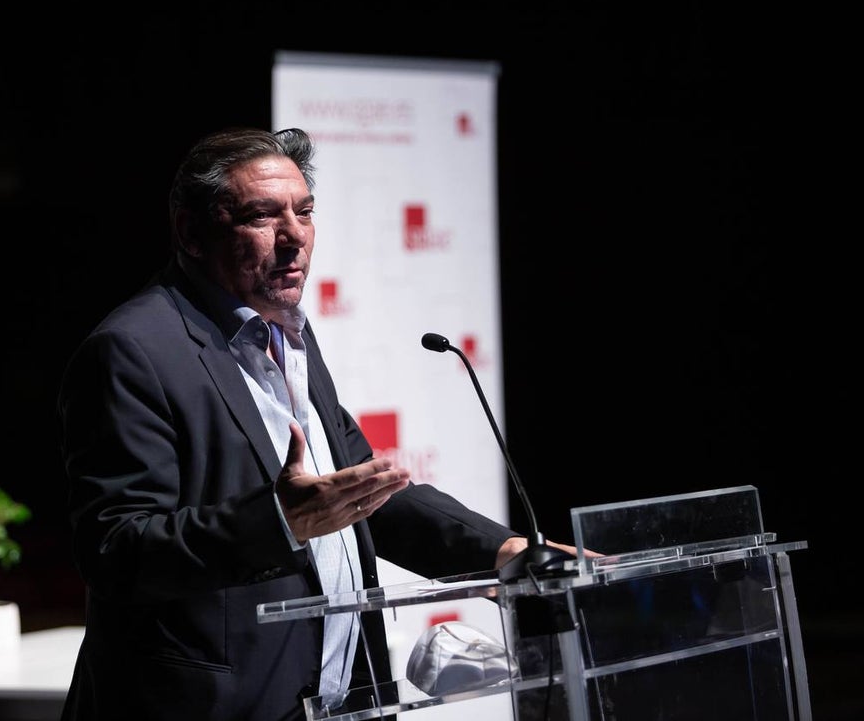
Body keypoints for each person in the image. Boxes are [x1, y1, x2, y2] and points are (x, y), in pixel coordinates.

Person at [56, 126, 581, 721]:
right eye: (262, 216)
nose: (294, 238)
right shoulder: (132, 352)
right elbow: (115, 551)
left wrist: (505, 552)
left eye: (304, 212)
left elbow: (363, 493)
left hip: (336, 702)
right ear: (191, 233)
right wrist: (279, 521)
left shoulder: (288, 336)